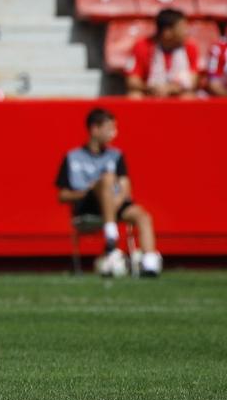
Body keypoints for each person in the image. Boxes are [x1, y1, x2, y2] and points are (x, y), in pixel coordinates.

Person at [55, 108, 162, 278]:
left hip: (115, 202)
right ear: (95, 129)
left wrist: (112, 203)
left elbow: (125, 186)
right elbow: (62, 196)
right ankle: (111, 238)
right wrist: (89, 191)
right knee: (107, 179)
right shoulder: (72, 157)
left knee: (142, 215)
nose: (114, 133)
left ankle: (149, 263)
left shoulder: (116, 155)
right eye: (110, 128)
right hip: (87, 205)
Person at [125, 8, 199, 98]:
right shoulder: (142, 46)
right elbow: (132, 81)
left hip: (177, 93)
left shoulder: (190, 48)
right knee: (134, 96)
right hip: (150, 92)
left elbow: (193, 80)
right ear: (167, 32)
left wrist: (171, 89)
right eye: (182, 28)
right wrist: (150, 88)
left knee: (188, 96)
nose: (186, 32)